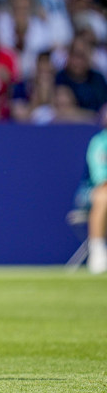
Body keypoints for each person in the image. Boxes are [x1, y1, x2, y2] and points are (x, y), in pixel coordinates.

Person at [87, 110, 107, 275]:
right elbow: (100, 177)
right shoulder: (100, 141)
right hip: (97, 190)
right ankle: (98, 252)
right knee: (104, 196)